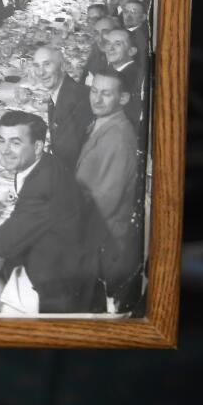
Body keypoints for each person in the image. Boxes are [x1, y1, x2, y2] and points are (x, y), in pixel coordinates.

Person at [0, 111, 103, 314]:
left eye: (15, 143)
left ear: (38, 146)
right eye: (2, 140)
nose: (5, 150)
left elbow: (1, 244)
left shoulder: (42, 186)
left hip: (52, 289)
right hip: (65, 262)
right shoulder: (48, 163)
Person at [75, 68, 143, 310]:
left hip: (100, 243)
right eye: (94, 91)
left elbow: (104, 205)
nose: (97, 99)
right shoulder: (105, 122)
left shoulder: (118, 139)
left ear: (123, 99)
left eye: (106, 94)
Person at [31, 46, 92, 168]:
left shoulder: (73, 99)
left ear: (63, 66)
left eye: (47, 64)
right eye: (37, 66)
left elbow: (66, 155)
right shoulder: (63, 90)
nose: (41, 72)